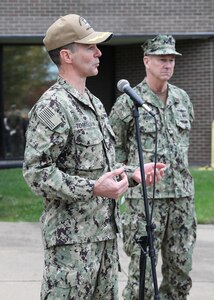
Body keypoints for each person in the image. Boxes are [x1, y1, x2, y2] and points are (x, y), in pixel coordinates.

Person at [23, 15, 166, 300]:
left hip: (103, 239)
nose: (99, 53)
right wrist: (92, 188)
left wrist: (133, 174)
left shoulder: (93, 103)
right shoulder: (52, 106)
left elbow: (98, 167)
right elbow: (36, 173)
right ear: (66, 55)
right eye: (90, 47)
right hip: (70, 247)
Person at [109, 34, 197, 300]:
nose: (167, 64)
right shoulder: (128, 102)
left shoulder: (182, 99)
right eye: (162, 59)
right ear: (147, 61)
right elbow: (115, 151)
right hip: (145, 201)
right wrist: (129, 177)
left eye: (171, 59)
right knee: (143, 278)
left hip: (181, 198)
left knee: (180, 273)